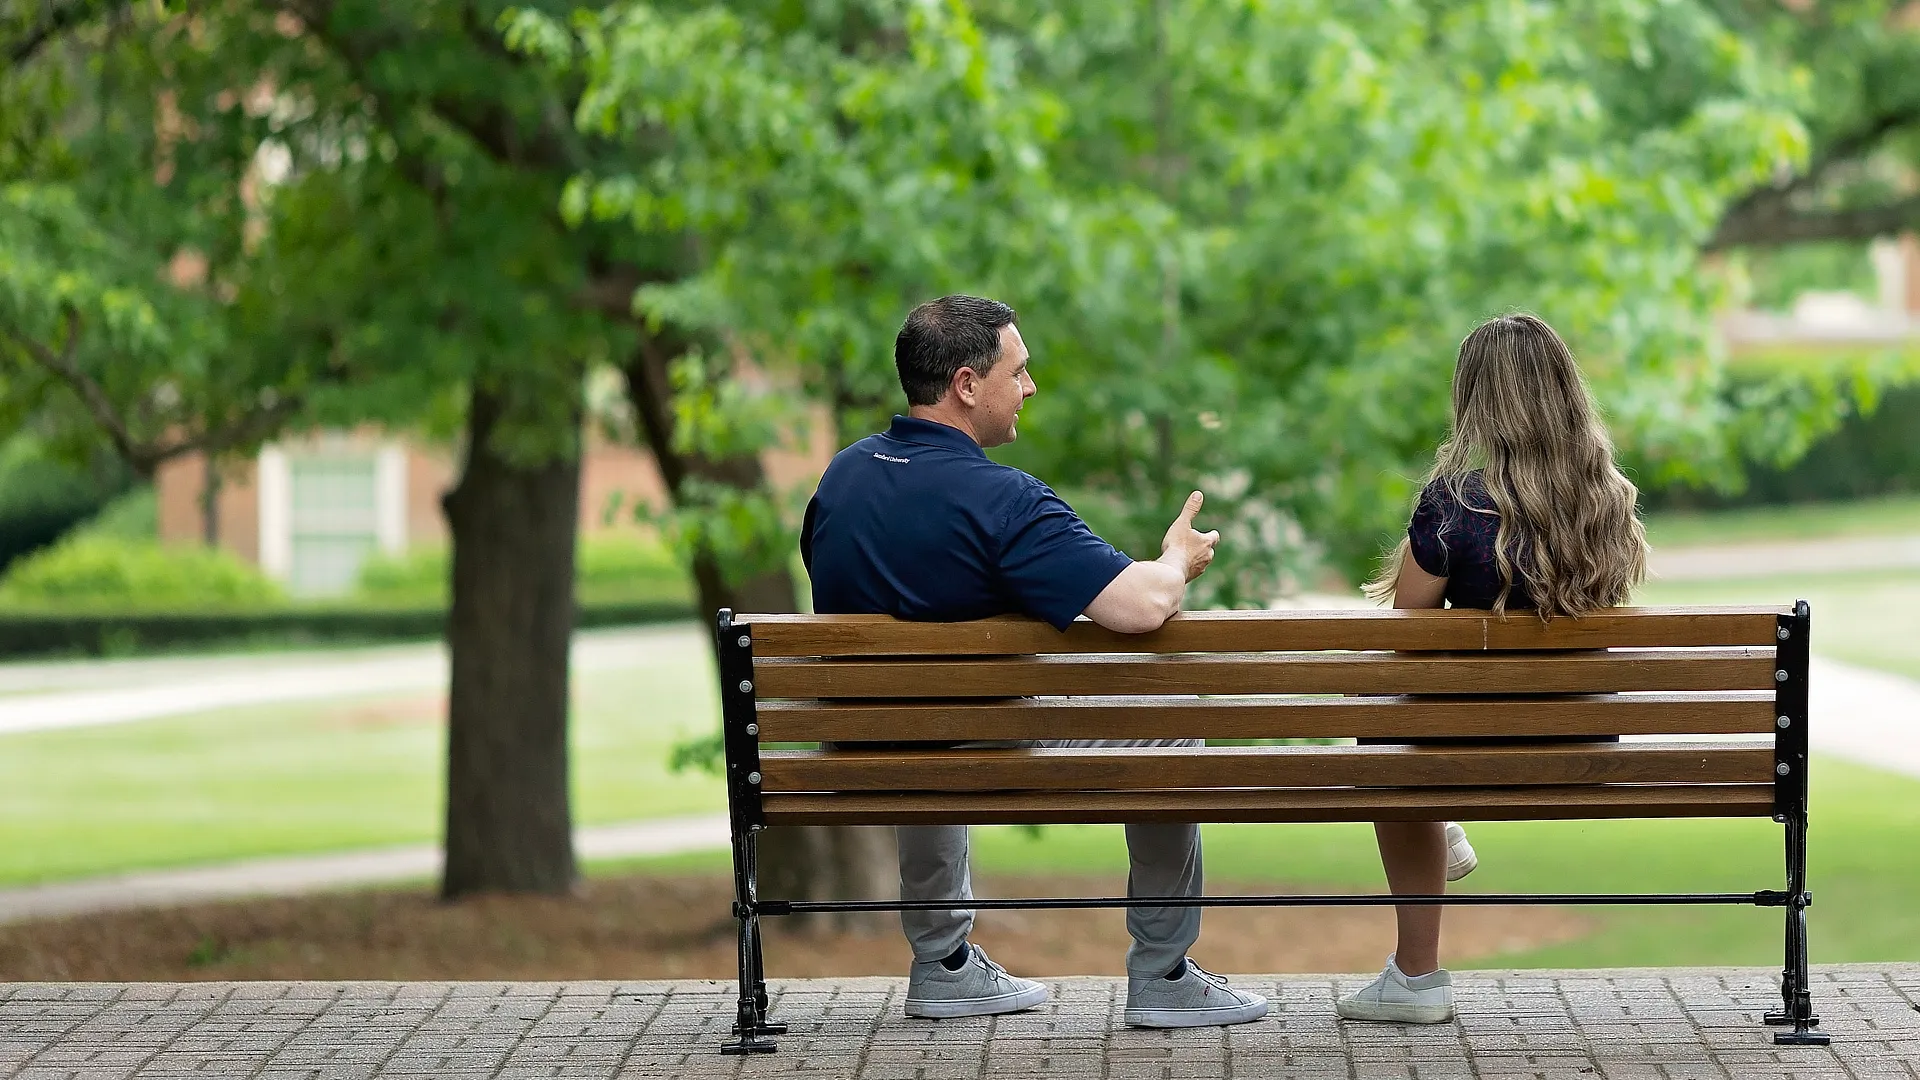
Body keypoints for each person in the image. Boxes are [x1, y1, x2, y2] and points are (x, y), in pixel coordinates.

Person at [801, 294, 1269, 1029]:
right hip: (976, 741)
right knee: (1169, 724)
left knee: (925, 730)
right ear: (964, 384)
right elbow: (1141, 606)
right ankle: (1164, 972)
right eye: (1017, 372)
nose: (1030, 387)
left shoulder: (841, 479)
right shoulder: (1002, 499)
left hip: (862, 745)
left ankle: (943, 963)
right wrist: (1177, 557)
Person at [1338, 313, 1649, 1024]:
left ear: (1477, 401)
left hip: (1468, 751)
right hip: (1584, 745)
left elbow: (1407, 634)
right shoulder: (1609, 500)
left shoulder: (1455, 505)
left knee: (1382, 719)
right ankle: (1437, 828)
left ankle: (1417, 977)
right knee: (1401, 722)